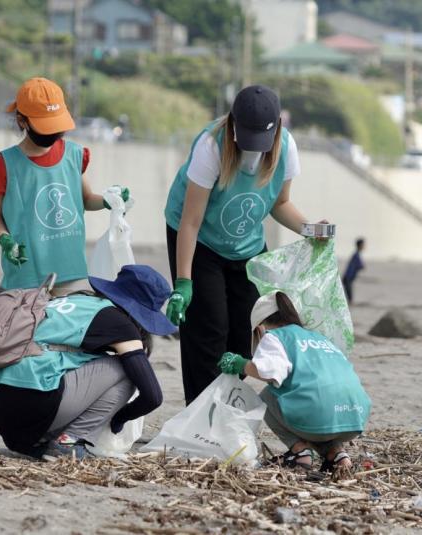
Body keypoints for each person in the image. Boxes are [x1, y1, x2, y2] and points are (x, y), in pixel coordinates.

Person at [163, 84, 327, 404]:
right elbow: (190, 221)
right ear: (233, 124)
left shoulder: (286, 149)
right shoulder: (211, 147)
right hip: (200, 241)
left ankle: (226, 402)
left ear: (277, 128)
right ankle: (201, 412)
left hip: (247, 244)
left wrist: (309, 229)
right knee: (208, 327)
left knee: (246, 329)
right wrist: (184, 281)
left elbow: (280, 203)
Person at [0, 265, 176, 460]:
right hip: (32, 399)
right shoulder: (119, 323)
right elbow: (152, 396)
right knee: (125, 370)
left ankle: (41, 443)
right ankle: (69, 441)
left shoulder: (71, 300)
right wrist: (118, 420)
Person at [0, 77, 129, 292]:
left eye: (56, 127)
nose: (52, 134)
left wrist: (109, 201)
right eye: (45, 127)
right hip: (26, 276)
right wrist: (6, 241)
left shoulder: (74, 155)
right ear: (22, 121)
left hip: (71, 271)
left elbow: (86, 199)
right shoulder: (7, 164)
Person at [218, 292, 370, 473]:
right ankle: (337, 453)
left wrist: (240, 364)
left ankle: (300, 452)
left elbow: (268, 372)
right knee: (318, 400)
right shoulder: (318, 337)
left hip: (318, 418)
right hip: (355, 418)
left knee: (268, 396)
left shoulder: (274, 336)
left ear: (259, 329)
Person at [341, 238, 365, 304]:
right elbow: (361, 266)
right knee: (349, 292)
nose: (364, 246)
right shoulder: (356, 255)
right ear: (360, 245)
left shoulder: (356, 254)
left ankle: (350, 303)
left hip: (348, 277)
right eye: (363, 245)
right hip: (348, 277)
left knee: (348, 291)